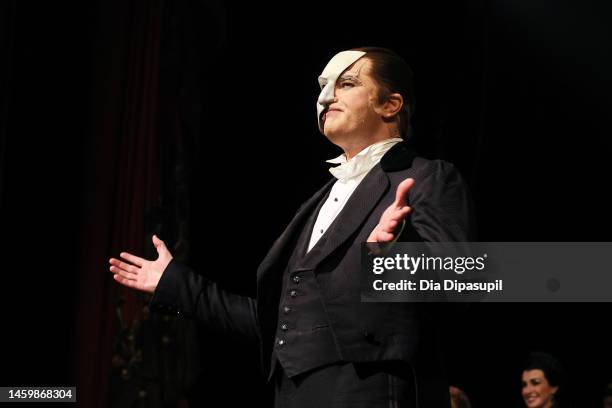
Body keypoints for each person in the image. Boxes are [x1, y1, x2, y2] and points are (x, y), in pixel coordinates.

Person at [110, 47, 476, 407]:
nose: (326, 97)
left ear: (390, 105)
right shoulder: (317, 202)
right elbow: (280, 319)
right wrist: (176, 284)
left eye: (346, 83)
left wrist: (400, 253)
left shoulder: (427, 177)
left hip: (373, 391)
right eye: (322, 86)